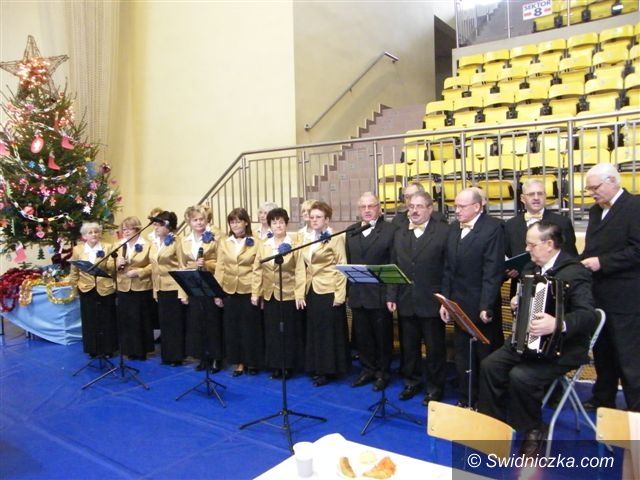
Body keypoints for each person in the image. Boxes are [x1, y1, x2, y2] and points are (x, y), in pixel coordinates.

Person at [478, 221, 597, 456]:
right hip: (526, 341)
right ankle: (495, 424)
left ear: (549, 244)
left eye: (531, 245)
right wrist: (518, 302)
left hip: (563, 347)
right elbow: (528, 305)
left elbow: (588, 315)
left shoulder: (575, 272)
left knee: (521, 376)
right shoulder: (530, 269)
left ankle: (533, 429)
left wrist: (557, 324)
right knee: (490, 365)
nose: (527, 249)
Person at [580, 163, 640, 412]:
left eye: (595, 187)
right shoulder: (596, 211)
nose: (591, 193)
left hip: (627, 297)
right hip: (599, 294)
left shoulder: (635, 206)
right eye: (589, 189)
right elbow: (592, 249)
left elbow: (637, 250)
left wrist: (602, 262)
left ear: (613, 181)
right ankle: (603, 397)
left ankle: (636, 407)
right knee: (603, 351)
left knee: (629, 356)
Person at [440, 187, 505, 407]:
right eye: (455, 206)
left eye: (461, 206)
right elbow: (448, 268)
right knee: (462, 355)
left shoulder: (493, 228)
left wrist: (486, 305)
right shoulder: (453, 229)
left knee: (484, 355)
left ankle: (486, 402)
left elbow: (492, 271)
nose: (456, 211)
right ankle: (466, 398)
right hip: (459, 305)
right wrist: (446, 301)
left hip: (481, 305)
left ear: (477, 207)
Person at [387, 191, 449, 405]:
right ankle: (411, 382)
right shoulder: (400, 232)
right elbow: (394, 265)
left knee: (434, 349)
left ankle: (435, 388)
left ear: (430, 209)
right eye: (411, 206)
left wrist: (445, 299)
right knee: (409, 347)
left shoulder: (443, 232)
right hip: (406, 299)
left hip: (432, 301)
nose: (414, 210)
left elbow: (448, 269)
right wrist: (391, 294)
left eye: (420, 206)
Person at [346, 192, 397, 391]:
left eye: (371, 206)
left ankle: (383, 372)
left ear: (379, 208)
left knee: (382, 337)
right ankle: (367, 369)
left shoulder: (390, 230)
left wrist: (391, 295)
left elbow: (393, 262)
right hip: (358, 294)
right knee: (363, 336)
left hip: (380, 295)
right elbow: (348, 260)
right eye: (363, 207)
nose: (367, 210)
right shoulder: (351, 231)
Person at [252, 208, 306, 379]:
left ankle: (288, 365)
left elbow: (300, 270)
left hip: (289, 294)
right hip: (270, 294)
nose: (278, 225)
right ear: (269, 225)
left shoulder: (295, 244)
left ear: (286, 224)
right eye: (274, 222)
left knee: (288, 331)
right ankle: (276, 365)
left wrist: (299, 294)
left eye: (281, 222)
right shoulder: (264, 245)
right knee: (273, 332)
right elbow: (257, 270)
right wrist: (255, 293)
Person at [302, 200, 349, 386]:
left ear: (327, 219)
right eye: (312, 217)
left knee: (328, 331)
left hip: (329, 289)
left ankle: (328, 369)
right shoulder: (308, 238)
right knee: (315, 329)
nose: (314, 220)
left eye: (319, 217)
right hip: (312, 289)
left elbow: (341, 265)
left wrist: (340, 294)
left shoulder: (335, 237)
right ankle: (317, 366)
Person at [505, 178, 577, 296]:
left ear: (545, 196)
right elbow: (508, 256)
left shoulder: (562, 222)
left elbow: (570, 256)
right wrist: (509, 271)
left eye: (540, 193)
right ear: (522, 198)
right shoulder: (510, 225)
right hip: (521, 288)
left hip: (556, 287)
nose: (536, 197)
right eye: (531, 194)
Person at [215, 207, 263, 376]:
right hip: (229, 290)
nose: (235, 225)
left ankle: (252, 361)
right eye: (232, 222)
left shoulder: (256, 242)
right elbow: (220, 268)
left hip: (248, 290)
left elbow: (258, 270)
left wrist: (256, 293)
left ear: (246, 223)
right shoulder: (225, 242)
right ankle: (239, 362)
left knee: (250, 328)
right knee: (233, 328)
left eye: (238, 221)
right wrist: (217, 293)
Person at [178, 205, 223, 372]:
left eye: (202, 219)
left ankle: (216, 358)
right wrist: (183, 293)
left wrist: (207, 265)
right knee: (197, 323)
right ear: (189, 222)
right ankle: (203, 357)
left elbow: (221, 264)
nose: (199, 222)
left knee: (213, 322)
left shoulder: (215, 238)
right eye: (195, 220)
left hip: (211, 284)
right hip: (193, 285)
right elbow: (182, 266)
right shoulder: (184, 241)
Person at [68, 222, 118, 358]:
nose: (94, 234)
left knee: (107, 319)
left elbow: (111, 267)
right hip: (86, 288)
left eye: (96, 232)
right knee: (89, 320)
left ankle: (108, 349)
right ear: (84, 236)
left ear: (100, 234)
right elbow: (74, 271)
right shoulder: (78, 249)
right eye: (90, 232)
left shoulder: (108, 247)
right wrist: (74, 289)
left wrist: (116, 263)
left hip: (105, 288)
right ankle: (92, 349)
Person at [149, 211, 187, 366]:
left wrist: (182, 292)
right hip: (160, 287)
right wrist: (155, 290)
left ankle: (176, 356)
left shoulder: (177, 241)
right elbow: (153, 267)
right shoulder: (154, 242)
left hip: (173, 287)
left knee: (174, 323)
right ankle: (167, 355)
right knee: (164, 323)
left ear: (168, 226)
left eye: (159, 225)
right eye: (155, 225)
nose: (156, 227)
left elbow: (182, 266)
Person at [115, 217, 154, 360]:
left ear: (137, 229)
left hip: (141, 286)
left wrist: (139, 272)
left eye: (129, 229)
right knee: (126, 319)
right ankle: (129, 349)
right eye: (124, 229)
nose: (126, 232)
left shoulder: (148, 245)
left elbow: (153, 264)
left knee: (141, 319)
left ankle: (142, 350)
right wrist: (116, 264)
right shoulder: (118, 245)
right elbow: (108, 264)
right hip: (123, 286)